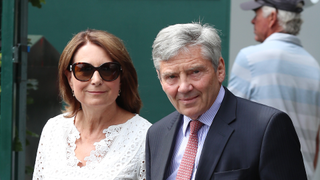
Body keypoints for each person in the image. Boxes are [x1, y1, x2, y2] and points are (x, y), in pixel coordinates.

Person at [145, 22, 307, 180]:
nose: (184, 87)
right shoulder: (156, 135)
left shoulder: (266, 127)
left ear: (220, 69)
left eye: (195, 72)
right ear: (160, 80)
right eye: (171, 77)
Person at [33, 29, 151, 180]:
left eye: (108, 70)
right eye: (84, 70)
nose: (96, 80)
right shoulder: (53, 129)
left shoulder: (145, 136)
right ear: (70, 79)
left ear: (121, 78)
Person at [227, 0, 320, 179]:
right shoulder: (315, 68)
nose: (252, 21)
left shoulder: (250, 58)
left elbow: (228, 122)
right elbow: (317, 140)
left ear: (272, 17)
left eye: (256, 14)